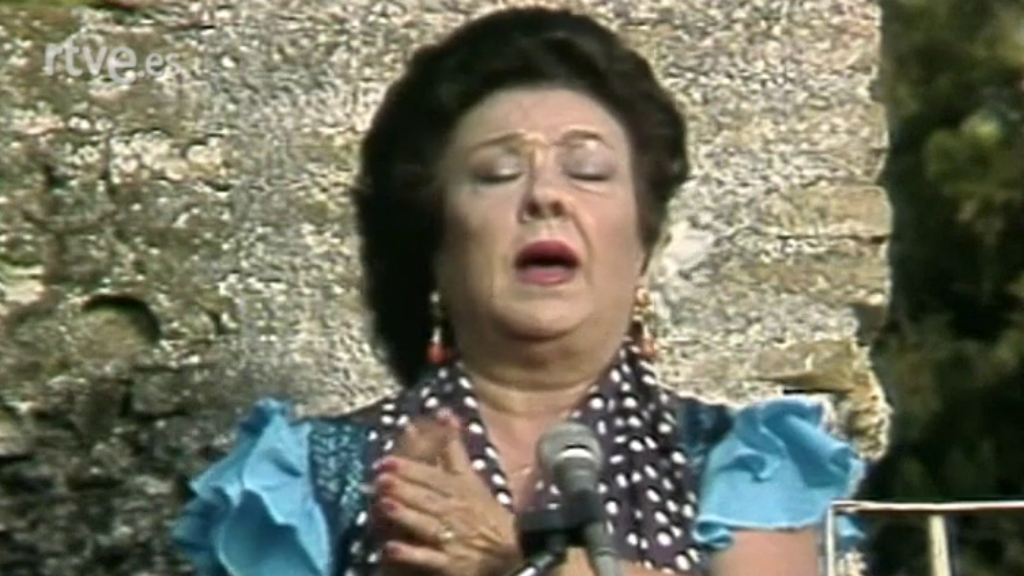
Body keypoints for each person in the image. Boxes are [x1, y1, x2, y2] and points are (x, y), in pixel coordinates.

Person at [171, 7, 866, 576]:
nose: (545, 196)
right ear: (436, 246)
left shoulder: (740, 463)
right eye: (497, 174)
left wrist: (516, 563)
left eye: (588, 171)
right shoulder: (313, 477)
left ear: (643, 244)